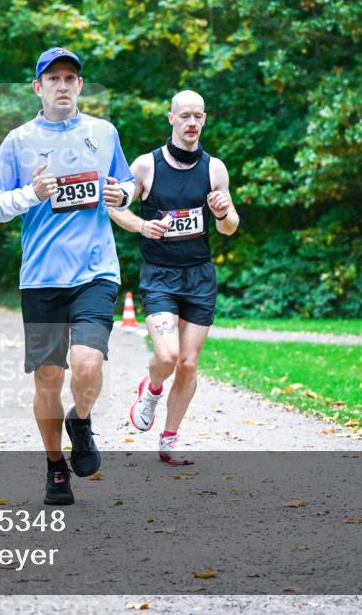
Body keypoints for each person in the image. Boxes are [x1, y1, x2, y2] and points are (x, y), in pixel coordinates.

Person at [0, 47, 136, 505]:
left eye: (70, 78)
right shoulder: (18, 141)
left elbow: (128, 186)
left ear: (80, 86)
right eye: (54, 79)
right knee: (47, 378)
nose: (62, 86)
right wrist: (29, 193)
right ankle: (54, 467)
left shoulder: (103, 134)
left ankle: (80, 420)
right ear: (38, 87)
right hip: (42, 278)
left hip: (95, 271)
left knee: (86, 364)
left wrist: (119, 194)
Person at [109, 90, 239, 465]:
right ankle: (150, 390)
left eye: (198, 116)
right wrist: (141, 226)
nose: (192, 123)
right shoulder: (147, 166)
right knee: (167, 357)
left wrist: (223, 211)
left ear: (205, 119)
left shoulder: (215, 169)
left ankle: (169, 438)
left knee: (188, 364)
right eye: (185, 116)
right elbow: (116, 207)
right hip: (160, 276)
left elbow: (230, 227)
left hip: (199, 276)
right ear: (171, 119)